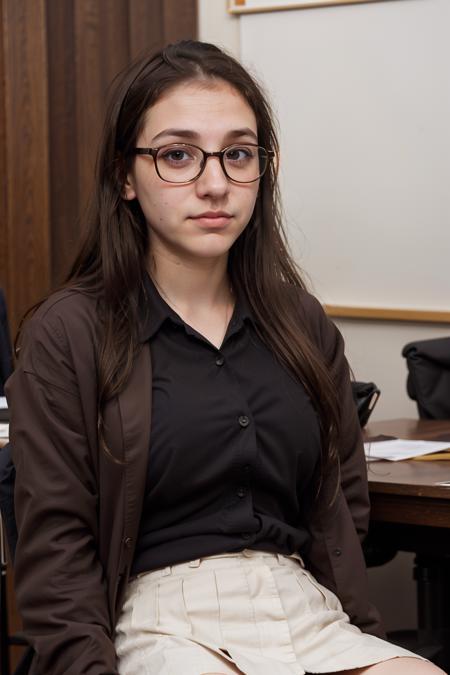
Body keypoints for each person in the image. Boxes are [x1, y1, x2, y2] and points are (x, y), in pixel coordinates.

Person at [5, 40, 444, 675]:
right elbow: (56, 548)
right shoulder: (70, 331)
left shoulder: (300, 322)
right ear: (124, 176)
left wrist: (360, 630)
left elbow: (340, 501)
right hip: (160, 622)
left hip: (307, 611)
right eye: (178, 155)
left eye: (238, 154)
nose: (215, 184)